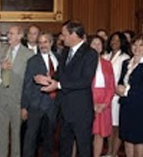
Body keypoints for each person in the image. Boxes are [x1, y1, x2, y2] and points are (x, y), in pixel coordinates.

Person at [34, 20, 98, 157]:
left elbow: (85, 81)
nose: (61, 38)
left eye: (64, 34)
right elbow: (59, 75)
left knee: (84, 148)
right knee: (64, 147)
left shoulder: (90, 53)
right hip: (64, 109)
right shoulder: (65, 52)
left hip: (81, 111)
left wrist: (58, 85)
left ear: (74, 34)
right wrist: (47, 79)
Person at [0, 26, 33, 157]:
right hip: (1, 98)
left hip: (18, 100)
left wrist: (26, 105)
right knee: (0, 134)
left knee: (16, 135)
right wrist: (0, 67)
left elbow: (29, 82)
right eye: (8, 34)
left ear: (20, 36)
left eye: (12, 34)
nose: (9, 36)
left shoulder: (28, 54)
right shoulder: (1, 51)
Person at [21, 33, 59, 157]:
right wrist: (24, 107)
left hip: (53, 106)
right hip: (36, 106)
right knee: (30, 139)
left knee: (49, 140)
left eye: (45, 42)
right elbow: (27, 84)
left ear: (51, 43)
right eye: (40, 42)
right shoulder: (32, 61)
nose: (42, 45)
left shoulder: (59, 58)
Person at [116, 34, 143, 157]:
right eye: (134, 44)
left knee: (139, 140)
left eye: (141, 45)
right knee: (127, 138)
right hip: (126, 106)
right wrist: (118, 88)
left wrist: (126, 91)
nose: (137, 48)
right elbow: (121, 81)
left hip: (140, 107)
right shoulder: (126, 63)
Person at [103, 31, 130, 157]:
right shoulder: (105, 56)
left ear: (122, 43)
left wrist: (115, 89)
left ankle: (114, 153)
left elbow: (123, 78)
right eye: (113, 40)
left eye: (118, 40)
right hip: (105, 95)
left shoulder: (124, 58)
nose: (114, 42)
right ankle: (109, 152)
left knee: (117, 126)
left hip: (117, 95)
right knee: (109, 124)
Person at [88, 35, 115, 157]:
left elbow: (111, 86)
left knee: (100, 134)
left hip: (104, 102)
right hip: (88, 101)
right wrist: (91, 104)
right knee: (86, 133)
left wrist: (105, 103)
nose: (97, 46)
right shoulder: (84, 63)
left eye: (99, 44)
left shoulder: (107, 64)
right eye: (94, 43)